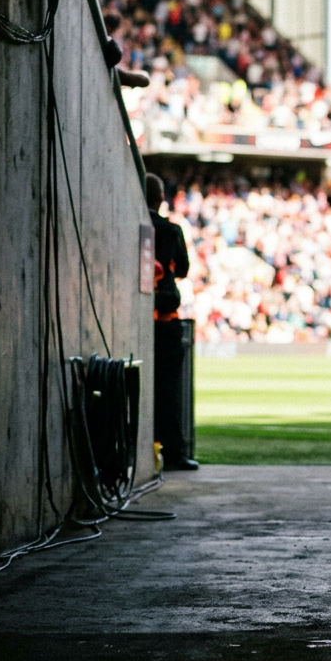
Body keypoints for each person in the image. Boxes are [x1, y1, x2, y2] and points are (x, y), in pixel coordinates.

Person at [147, 173, 199, 472]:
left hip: (137, 317)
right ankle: (173, 452)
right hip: (165, 317)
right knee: (169, 389)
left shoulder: (130, 227)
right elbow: (182, 269)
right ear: (161, 199)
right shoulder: (170, 229)